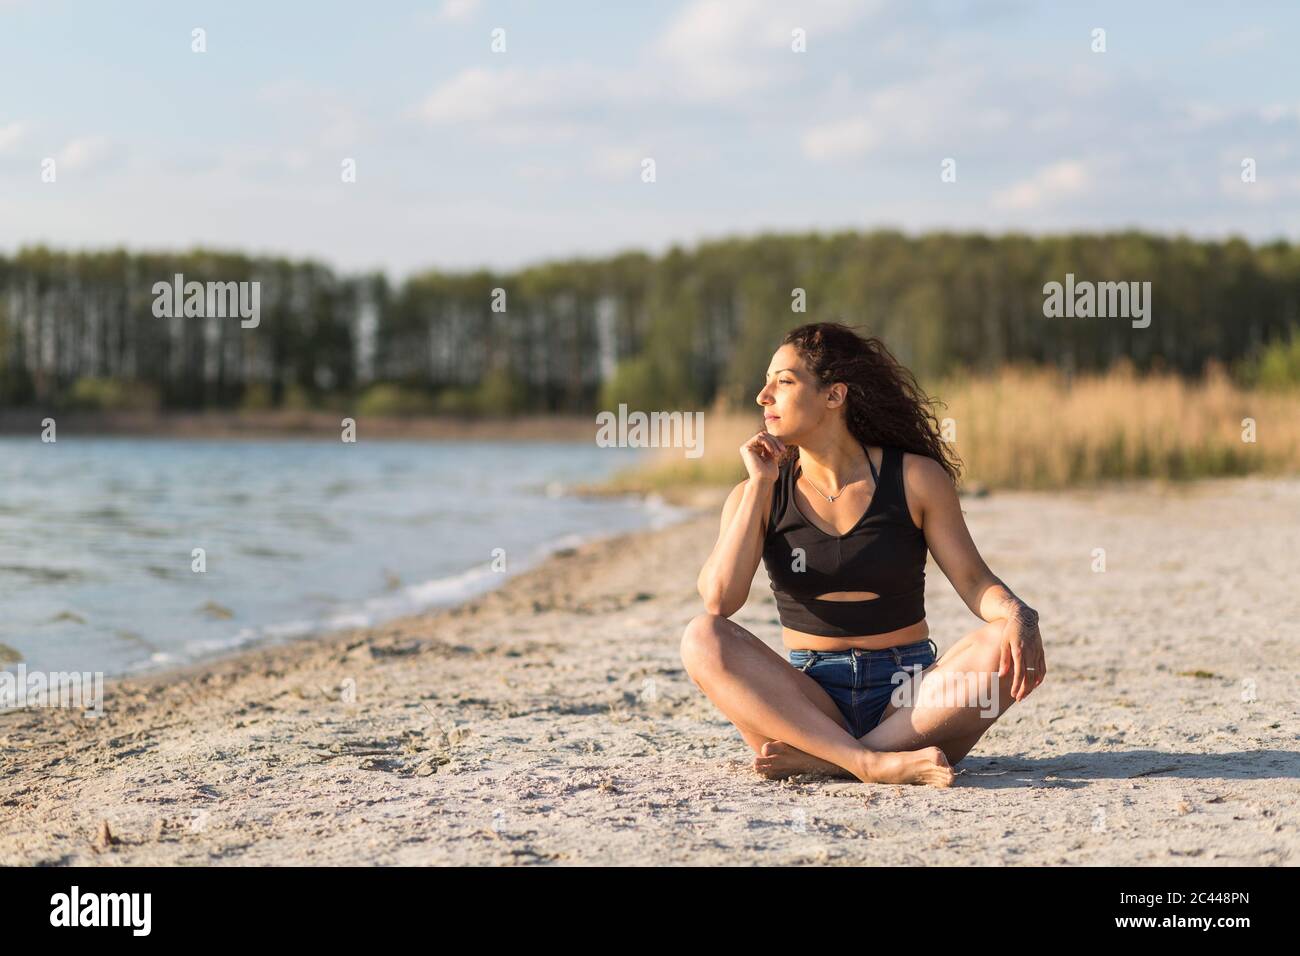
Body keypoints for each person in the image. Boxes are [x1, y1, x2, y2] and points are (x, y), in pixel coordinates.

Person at [681, 322, 1046, 787]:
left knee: (1002, 641)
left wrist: (1020, 614)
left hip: (910, 701)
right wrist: (760, 484)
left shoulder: (915, 478)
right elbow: (719, 601)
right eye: (767, 381)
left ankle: (834, 760)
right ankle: (870, 762)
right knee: (701, 636)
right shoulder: (759, 492)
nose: (763, 395)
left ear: (834, 396)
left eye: (784, 381)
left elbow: (974, 581)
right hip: (807, 702)